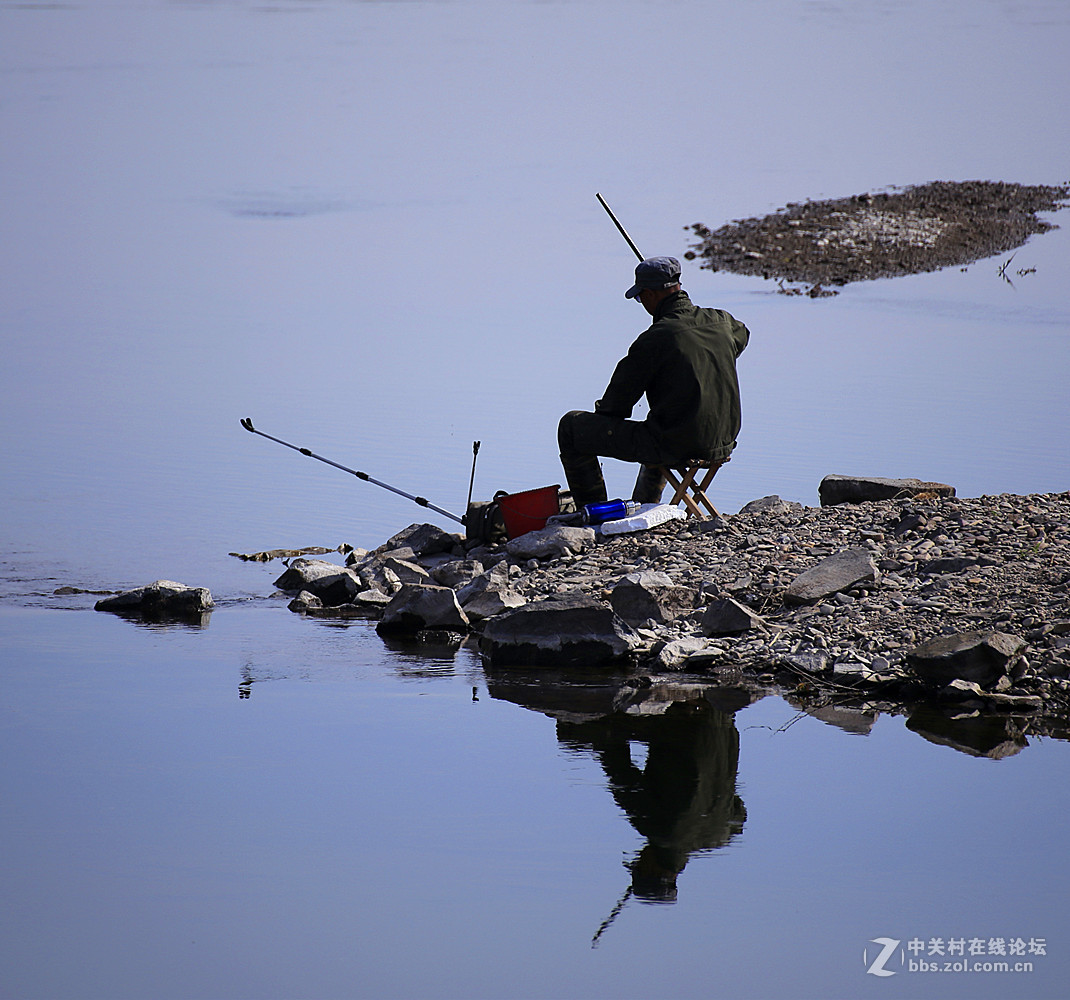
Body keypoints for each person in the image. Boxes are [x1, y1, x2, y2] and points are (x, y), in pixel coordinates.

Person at [558, 255, 750, 506]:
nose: (641, 303)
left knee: (571, 427)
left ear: (649, 294)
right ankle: (645, 504)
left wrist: (600, 415)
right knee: (658, 424)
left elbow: (616, 406)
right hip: (723, 442)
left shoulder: (655, 339)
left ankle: (594, 513)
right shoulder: (723, 322)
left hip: (679, 444)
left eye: (640, 297)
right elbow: (742, 336)